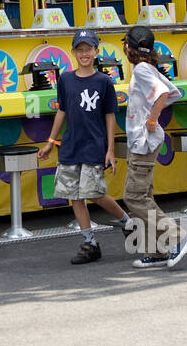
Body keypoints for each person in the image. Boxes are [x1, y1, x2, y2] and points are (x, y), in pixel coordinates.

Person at [37, 29, 135, 264]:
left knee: (95, 193)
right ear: (73, 53)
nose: (84, 54)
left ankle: (128, 223)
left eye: (88, 49)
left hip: (94, 145)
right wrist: (51, 141)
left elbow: (110, 116)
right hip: (70, 145)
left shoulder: (104, 82)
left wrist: (110, 149)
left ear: (96, 52)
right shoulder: (65, 79)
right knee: (74, 196)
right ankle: (89, 241)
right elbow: (62, 110)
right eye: (79, 50)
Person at [121, 26, 187, 269]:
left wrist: (151, 120)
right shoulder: (148, 67)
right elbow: (174, 92)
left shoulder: (141, 69)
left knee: (134, 196)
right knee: (145, 196)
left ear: (128, 47)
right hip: (145, 140)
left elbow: (163, 93)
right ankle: (156, 251)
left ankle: (177, 237)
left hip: (143, 141)